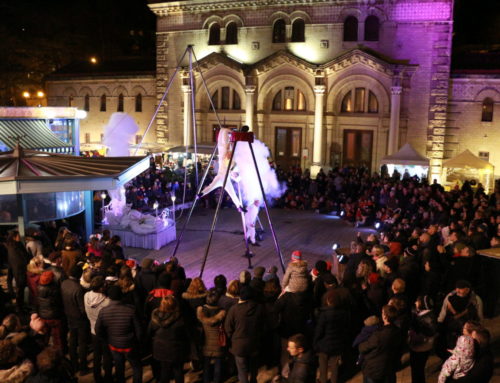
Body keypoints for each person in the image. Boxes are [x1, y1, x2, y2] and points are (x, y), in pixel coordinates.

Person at [96, 285, 143, 383]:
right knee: (136, 366)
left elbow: (98, 330)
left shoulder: (103, 312)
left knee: (119, 367)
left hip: (114, 345)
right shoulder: (131, 310)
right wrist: (137, 342)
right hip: (129, 345)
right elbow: (139, 330)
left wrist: (107, 340)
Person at [224, 286, 264, 383]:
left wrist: (231, 338)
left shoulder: (234, 309)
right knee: (254, 367)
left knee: (242, 371)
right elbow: (263, 326)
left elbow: (228, 328)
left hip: (239, 345)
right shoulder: (259, 308)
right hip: (254, 343)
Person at [149, 295, 189, 383]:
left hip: (160, 349)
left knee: (165, 371)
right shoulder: (180, 319)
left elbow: (150, 332)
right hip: (176, 349)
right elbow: (185, 335)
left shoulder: (155, 318)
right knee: (178, 370)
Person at [359, 304, 402, 383]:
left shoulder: (378, 335)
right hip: (389, 369)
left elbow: (362, 347)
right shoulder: (398, 331)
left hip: (374, 371)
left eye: (382, 313)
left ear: (385, 317)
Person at [313, 289, 350, 383]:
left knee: (323, 365)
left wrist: (315, 343)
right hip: (337, 344)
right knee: (335, 366)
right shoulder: (344, 313)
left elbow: (319, 331)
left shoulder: (324, 315)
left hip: (324, 345)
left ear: (328, 301)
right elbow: (345, 329)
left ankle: (323, 380)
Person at [61, 265, 90, 376]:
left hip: (69, 315)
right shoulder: (78, 288)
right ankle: (83, 367)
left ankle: (74, 364)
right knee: (82, 343)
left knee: (72, 341)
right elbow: (82, 308)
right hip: (80, 319)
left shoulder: (64, 283)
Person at [84, 276, 112, 383]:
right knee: (107, 356)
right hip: (105, 332)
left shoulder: (86, 296)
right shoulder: (107, 302)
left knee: (96, 355)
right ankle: (108, 377)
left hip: (93, 330)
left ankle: (97, 377)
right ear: (101, 288)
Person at [197, 288, 226, 383]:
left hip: (205, 342)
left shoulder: (201, 311)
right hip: (218, 343)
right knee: (218, 365)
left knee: (206, 365)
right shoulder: (222, 312)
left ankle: (206, 380)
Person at [408, 295, 438, 383]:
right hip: (425, 347)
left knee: (417, 370)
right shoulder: (430, 314)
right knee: (419, 369)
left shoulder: (422, 318)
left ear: (422, 304)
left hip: (419, 347)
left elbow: (418, 333)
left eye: (417, 301)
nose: (415, 303)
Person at [6, 230, 30, 310]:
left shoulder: (13, 246)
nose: (20, 237)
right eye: (18, 235)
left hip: (17, 269)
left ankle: (20, 305)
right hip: (19, 271)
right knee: (20, 289)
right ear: (14, 237)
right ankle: (19, 307)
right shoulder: (14, 247)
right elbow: (20, 260)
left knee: (20, 289)